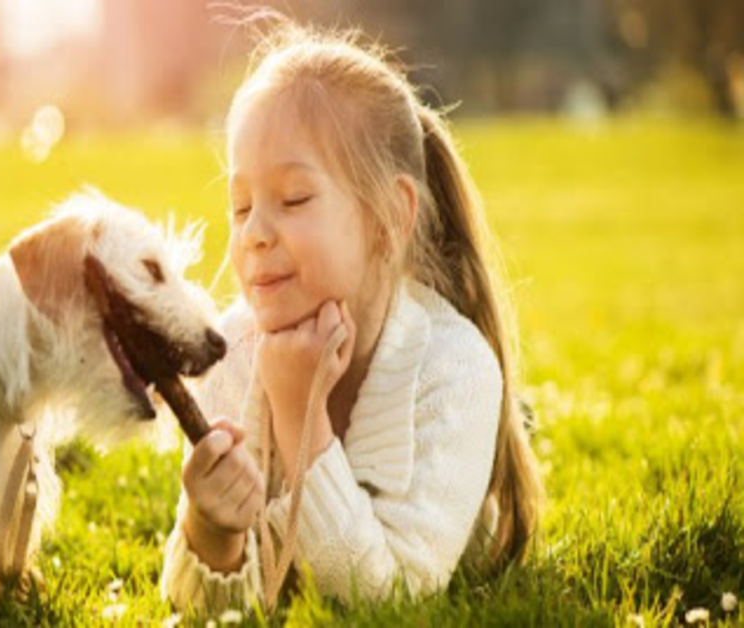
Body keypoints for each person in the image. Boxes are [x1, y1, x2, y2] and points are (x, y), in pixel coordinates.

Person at [160, 17, 544, 612]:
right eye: (240, 207)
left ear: (390, 215)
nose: (255, 233)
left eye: (293, 199)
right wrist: (213, 532)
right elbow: (208, 612)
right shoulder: (231, 354)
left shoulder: (456, 369)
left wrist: (301, 417)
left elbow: (389, 599)